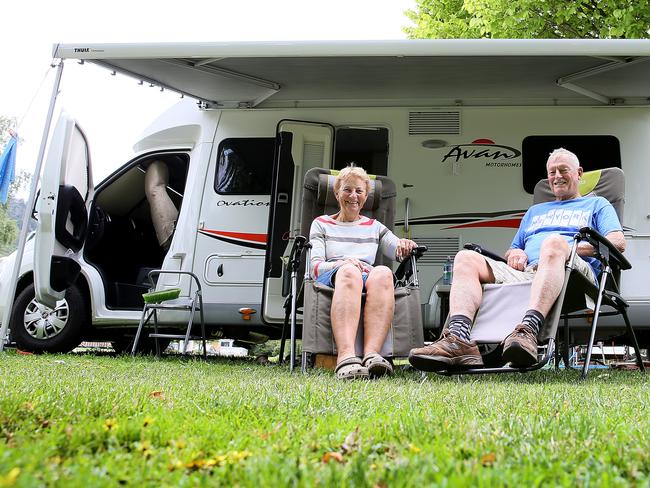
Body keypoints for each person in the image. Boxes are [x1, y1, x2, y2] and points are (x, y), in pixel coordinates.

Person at [409, 148, 625, 370]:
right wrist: (516, 254)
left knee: (553, 242)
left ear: (579, 173)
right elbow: (512, 250)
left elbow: (617, 243)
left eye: (563, 170)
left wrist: (565, 250)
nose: (557, 176)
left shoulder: (597, 205)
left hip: (575, 276)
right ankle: (458, 340)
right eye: (552, 172)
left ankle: (528, 331)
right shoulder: (535, 211)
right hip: (526, 274)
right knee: (466, 258)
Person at [309, 166, 418, 380]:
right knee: (350, 271)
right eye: (347, 190)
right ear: (336, 193)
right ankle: (346, 357)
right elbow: (315, 266)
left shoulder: (374, 226)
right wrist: (341, 264)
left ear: (366, 196)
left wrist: (404, 244)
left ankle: (372, 355)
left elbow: (396, 249)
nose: (353, 196)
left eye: (359, 191)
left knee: (384, 273)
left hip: (365, 276)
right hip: (332, 276)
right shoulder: (321, 224)